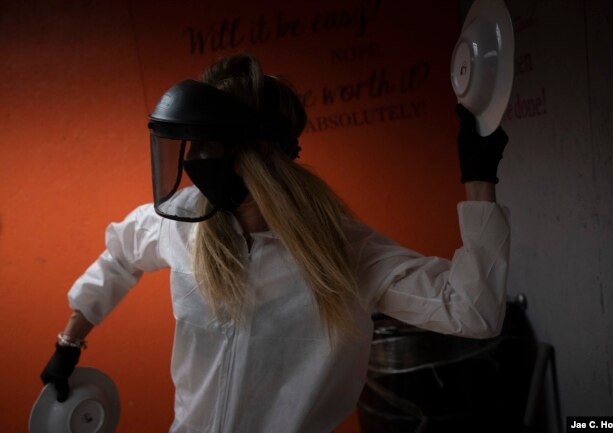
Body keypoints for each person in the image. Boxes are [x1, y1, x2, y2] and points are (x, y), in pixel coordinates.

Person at [40, 53, 510, 433]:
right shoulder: (183, 221)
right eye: (190, 146)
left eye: (206, 145)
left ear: (261, 153)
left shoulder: (342, 254)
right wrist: (69, 343)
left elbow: (473, 309)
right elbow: (121, 253)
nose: (194, 163)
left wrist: (478, 179)